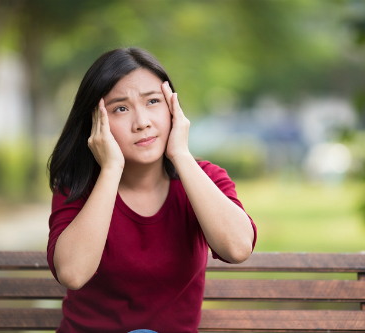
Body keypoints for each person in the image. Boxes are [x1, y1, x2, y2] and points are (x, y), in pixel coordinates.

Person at [47, 47, 257, 333]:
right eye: (120, 108)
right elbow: (72, 273)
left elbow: (238, 248)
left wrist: (180, 155)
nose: (142, 122)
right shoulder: (77, 185)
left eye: (153, 102)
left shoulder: (204, 178)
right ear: (96, 123)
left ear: (173, 109)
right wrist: (110, 170)